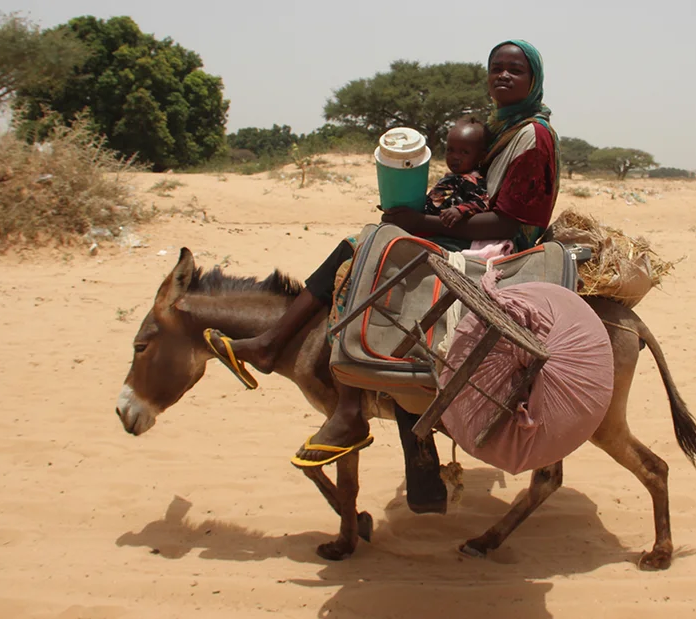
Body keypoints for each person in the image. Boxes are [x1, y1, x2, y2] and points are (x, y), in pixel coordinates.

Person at [204, 40, 560, 467]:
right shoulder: (502, 128)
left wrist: (421, 223)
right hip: (470, 231)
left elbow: (510, 221)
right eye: (496, 67)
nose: (503, 75)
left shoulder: (532, 136)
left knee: (368, 252)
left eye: (515, 70)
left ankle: (327, 390)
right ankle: (287, 355)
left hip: (501, 247)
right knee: (366, 243)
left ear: (533, 79)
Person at [424, 116, 490, 230]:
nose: (455, 157)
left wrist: (460, 210)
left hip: (443, 231)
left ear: (481, 156)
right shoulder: (452, 177)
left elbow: (482, 202)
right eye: (450, 150)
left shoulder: (472, 180)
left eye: (464, 152)